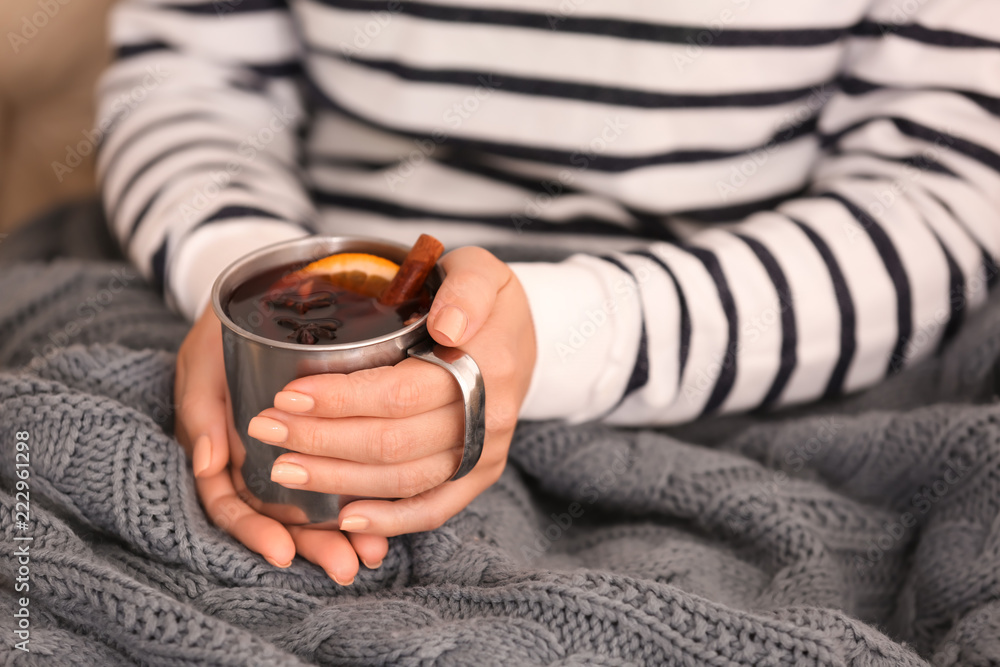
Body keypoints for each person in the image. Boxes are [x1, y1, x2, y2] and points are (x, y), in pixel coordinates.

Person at [97, 0, 1000, 586]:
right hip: (249, 300)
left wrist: (569, 339)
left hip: (741, 362)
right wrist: (242, 286)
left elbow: (939, 197)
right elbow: (189, 78)